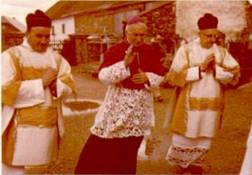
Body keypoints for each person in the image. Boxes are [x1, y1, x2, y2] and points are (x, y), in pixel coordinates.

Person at [75, 16, 165, 174]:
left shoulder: (150, 51)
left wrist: (148, 78)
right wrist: (124, 65)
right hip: (117, 107)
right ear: (126, 33)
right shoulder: (115, 50)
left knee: (128, 153)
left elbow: (161, 75)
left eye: (142, 35)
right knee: (99, 147)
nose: (139, 38)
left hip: (140, 110)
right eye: (135, 35)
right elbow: (103, 77)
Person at [162, 13, 240, 174]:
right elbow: (173, 77)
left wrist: (216, 70)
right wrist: (200, 69)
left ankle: (196, 164)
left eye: (215, 36)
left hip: (212, 105)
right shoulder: (187, 50)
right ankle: (182, 165)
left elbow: (235, 74)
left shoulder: (222, 52)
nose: (212, 39)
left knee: (205, 134)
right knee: (186, 134)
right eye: (208, 35)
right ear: (199, 33)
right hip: (189, 104)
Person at [2, 10, 76, 175]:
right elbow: (4, 90)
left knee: (42, 168)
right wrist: (41, 83)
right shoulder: (11, 56)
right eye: (38, 36)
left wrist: (56, 84)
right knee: (16, 170)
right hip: (20, 128)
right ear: (27, 33)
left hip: (48, 126)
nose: (44, 41)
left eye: (47, 36)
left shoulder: (56, 59)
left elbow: (69, 84)